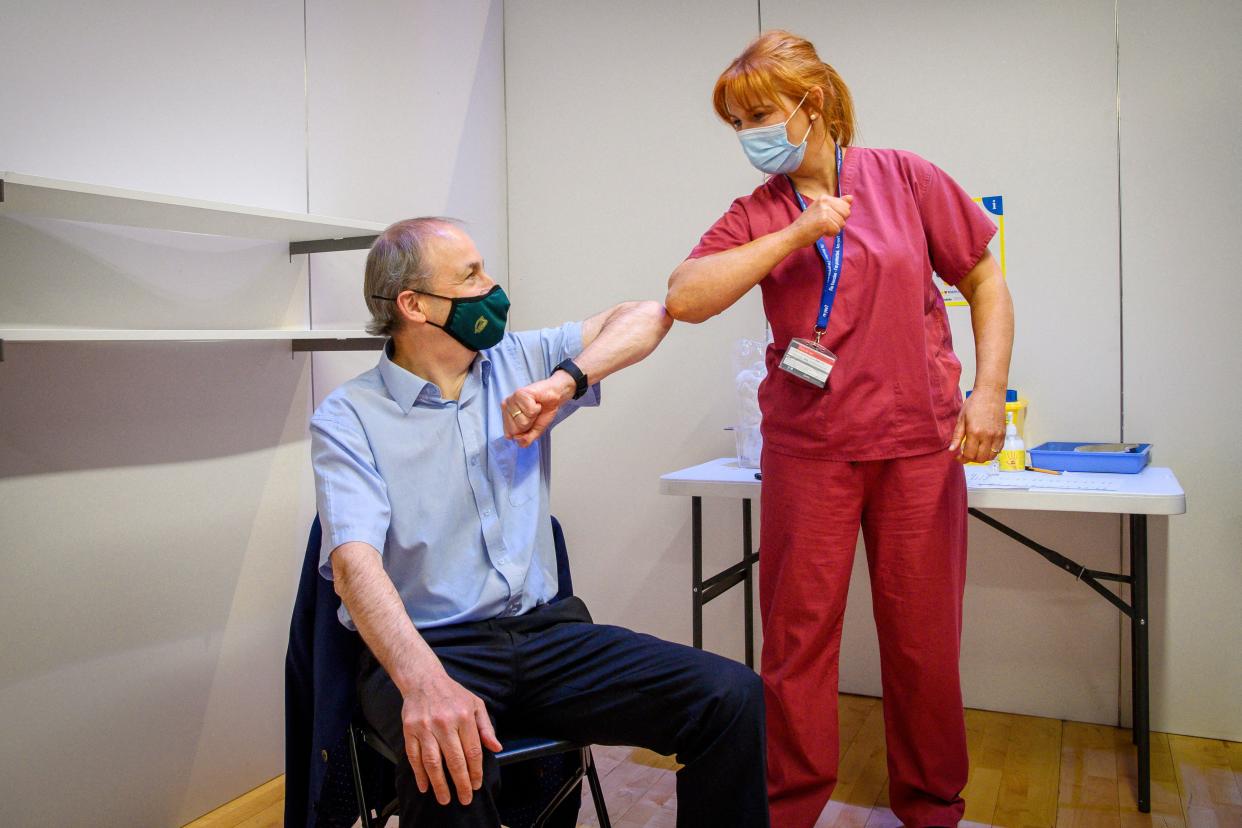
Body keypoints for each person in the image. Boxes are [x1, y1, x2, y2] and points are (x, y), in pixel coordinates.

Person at [310, 217, 769, 827]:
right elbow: (353, 564)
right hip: (434, 647)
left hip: (547, 636)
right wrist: (425, 683)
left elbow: (648, 315)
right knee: (449, 760)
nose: (493, 287)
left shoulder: (515, 359)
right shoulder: (349, 418)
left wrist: (565, 381)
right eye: (471, 275)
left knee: (730, 697)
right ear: (414, 305)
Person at [665, 30, 1015, 828]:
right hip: (809, 454)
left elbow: (986, 279)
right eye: (736, 123)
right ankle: (787, 809)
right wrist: (796, 232)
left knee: (924, 646)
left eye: (758, 114)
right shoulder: (755, 212)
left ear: (810, 104)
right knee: (796, 647)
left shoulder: (905, 177)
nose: (748, 136)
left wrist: (987, 393)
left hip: (918, 446)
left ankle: (931, 808)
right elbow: (685, 296)